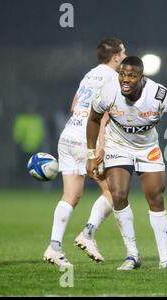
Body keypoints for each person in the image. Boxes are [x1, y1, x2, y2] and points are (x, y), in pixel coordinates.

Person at [86, 56, 167, 270]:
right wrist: (91, 154)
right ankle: (132, 255)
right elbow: (94, 119)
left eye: (131, 76)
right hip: (117, 146)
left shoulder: (158, 94)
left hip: (148, 148)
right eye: (122, 74)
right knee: (118, 194)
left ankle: (166, 260)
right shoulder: (108, 90)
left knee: (156, 197)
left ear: (141, 77)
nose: (125, 79)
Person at [43, 38, 126, 268]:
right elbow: (104, 114)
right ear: (116, 56)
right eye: (123, 52)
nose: (125, 56)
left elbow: (74, 106)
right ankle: (88, 234)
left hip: (68, 135)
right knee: (114, 192)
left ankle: (55, 246)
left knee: (70, 196)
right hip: (86, 140)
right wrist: (98, 147)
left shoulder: (90, 75)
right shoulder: (113, 79)